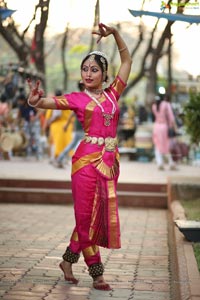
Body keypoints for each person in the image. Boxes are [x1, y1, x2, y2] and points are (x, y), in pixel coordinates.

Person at [27, 23, 132, 290]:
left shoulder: (113, 94)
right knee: (86, 218)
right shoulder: (77, 98)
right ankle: (97, 273)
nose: (88, 73)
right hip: (85, 163)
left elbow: (127, 60)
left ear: (104, 74)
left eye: (94, 69)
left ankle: (67, 260)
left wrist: (115, 34)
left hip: (110, 163)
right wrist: (35, 100)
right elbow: (48, 102)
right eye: (85, 69)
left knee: (91, 218)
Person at [152, 94, 177, 170]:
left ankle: (160, 163)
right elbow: (171, 117)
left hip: (156, 127)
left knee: (157, 145)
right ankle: (171, 162)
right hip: (164, 127)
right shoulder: (166, 104)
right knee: (166, 145)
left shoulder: (154, 106)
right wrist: (174, 127)